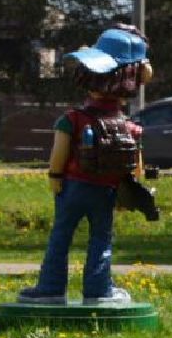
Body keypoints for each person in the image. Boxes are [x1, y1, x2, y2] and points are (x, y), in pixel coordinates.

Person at [17, 27, 154, 306]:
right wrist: (128, 188)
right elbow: (136, 165)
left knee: (61, 236)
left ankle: (50, 289)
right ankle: (99, 290)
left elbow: (59, 152)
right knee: (101, 239)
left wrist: (55, 175)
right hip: (107, 190)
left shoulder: (72, 119)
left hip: (72, 187)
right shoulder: (129, 127)